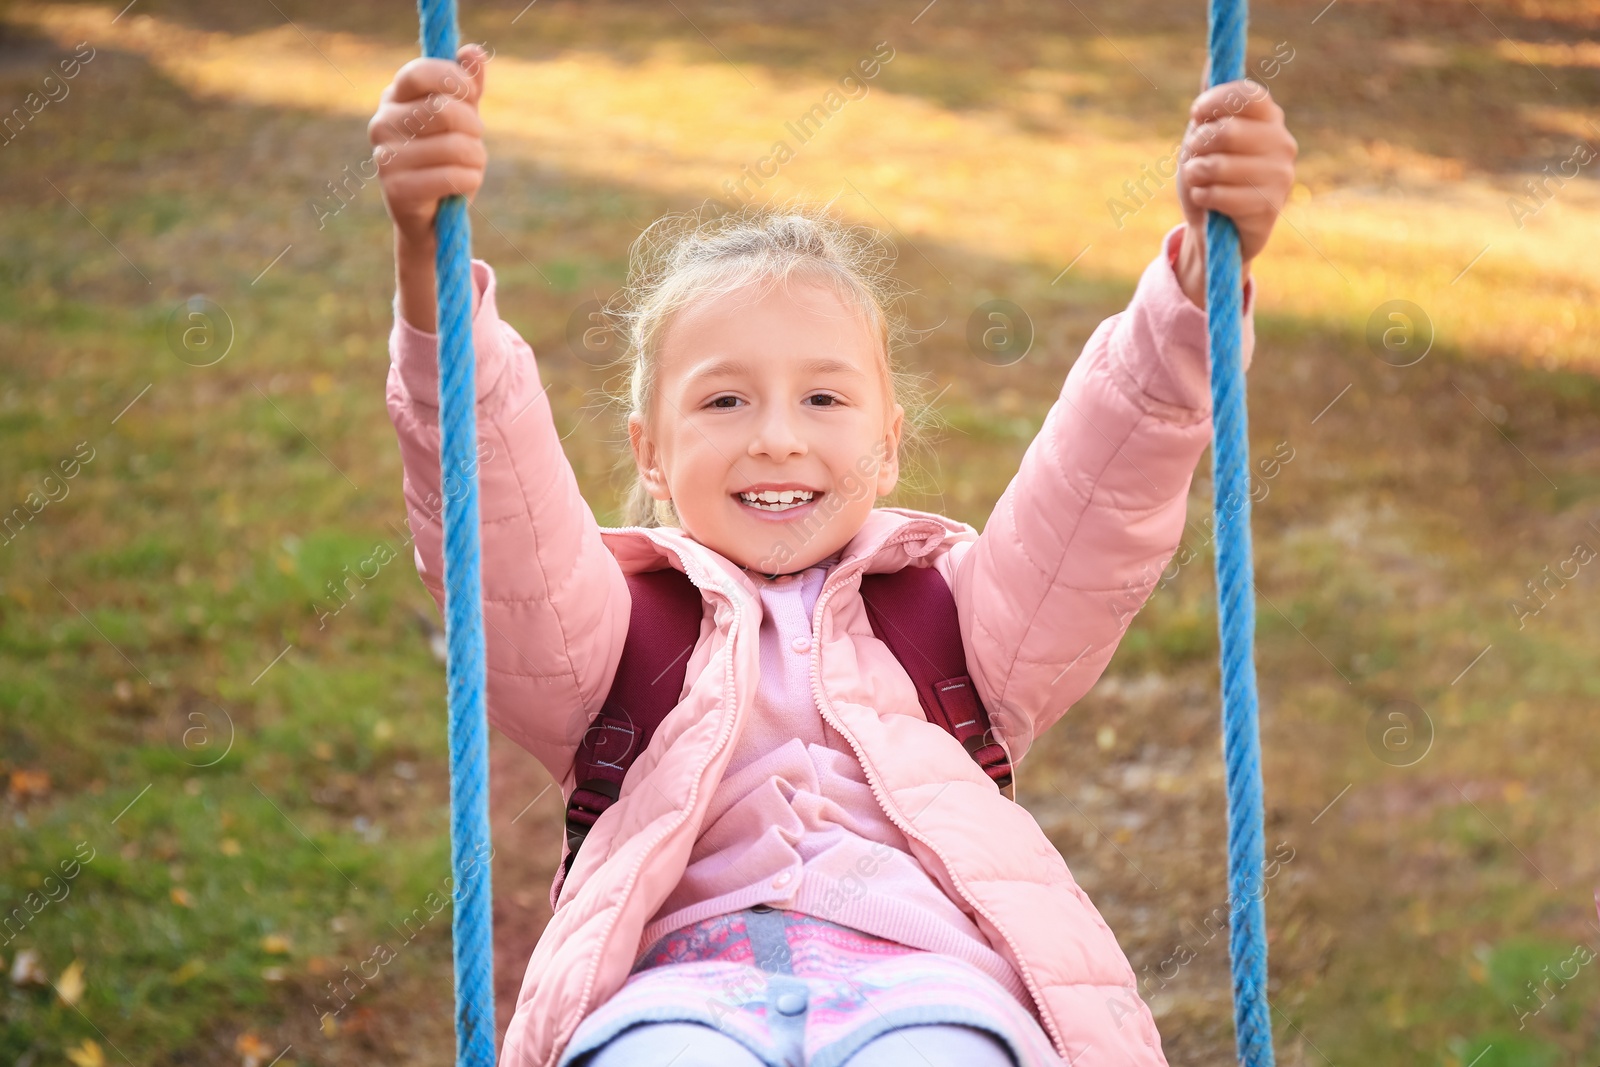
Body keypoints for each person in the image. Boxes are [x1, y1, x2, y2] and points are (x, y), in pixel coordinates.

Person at [371, 41, 1295, 1067]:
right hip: (683, 997)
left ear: (889, 439)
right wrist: (427, 270)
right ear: (650, 450)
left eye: (823, 397)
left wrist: (1193, 295)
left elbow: (1099, 489)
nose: (776, 436)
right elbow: (500, 521)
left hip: (931, 987)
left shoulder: (951, 622)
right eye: (723, 399)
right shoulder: (616, 636)